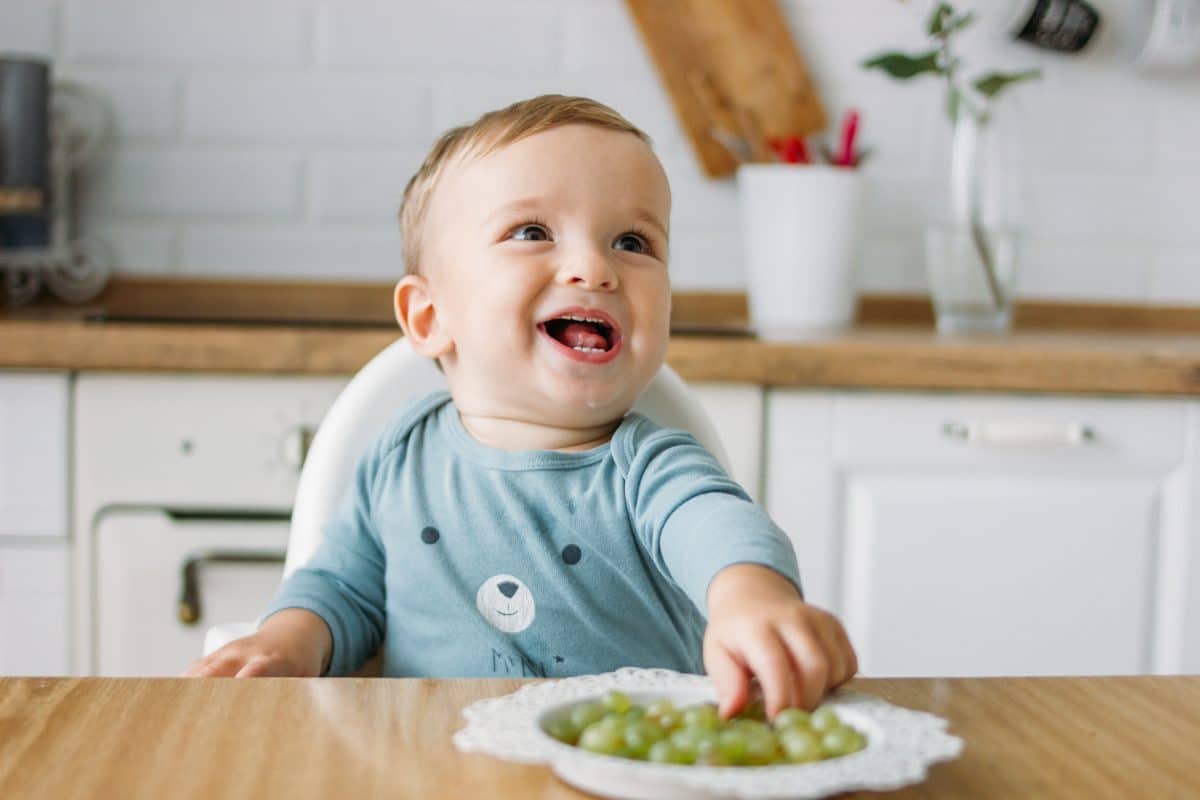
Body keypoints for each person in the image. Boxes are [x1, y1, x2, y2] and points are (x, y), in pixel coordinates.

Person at [184, 94, 857, 719]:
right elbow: (342, 592)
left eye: (633, 242)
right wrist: (287, 642)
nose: (594, 269)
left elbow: (719, 530)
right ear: (428, 315)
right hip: (429, 770)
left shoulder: (649, 467)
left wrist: (751, 599)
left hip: (617, 773)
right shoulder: (398, 458)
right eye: (533, 231)